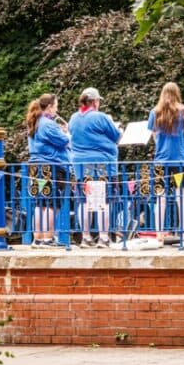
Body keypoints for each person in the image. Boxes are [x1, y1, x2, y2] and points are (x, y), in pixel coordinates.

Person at [69, 86, 121, 248]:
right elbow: (117, 136)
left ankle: (85, 237)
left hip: (80, 165)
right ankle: (104, 237)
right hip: (102, 164)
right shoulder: (101, 117)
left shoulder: (73, 118)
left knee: (84, 202)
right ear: (95, 102)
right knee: (103, 201)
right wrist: (117, 126)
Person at [147, 82, 184, 243]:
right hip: (180, 162)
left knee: (161, 198)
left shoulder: (155, 112)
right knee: (182, 198)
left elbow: (153, 136)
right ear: (177, 94)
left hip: (161, 162)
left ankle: (159, 235)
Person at [26, 93, 71, 247]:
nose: (56, 110)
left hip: (35, 166)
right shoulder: (48, 123)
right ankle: (49, 238)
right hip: (51, 166)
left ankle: (37, 239)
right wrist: (66, 132)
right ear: (50, 107)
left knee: (39, 203)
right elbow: (64, 141)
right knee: (52, 203)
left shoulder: (35, 122)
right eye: (56, 106)